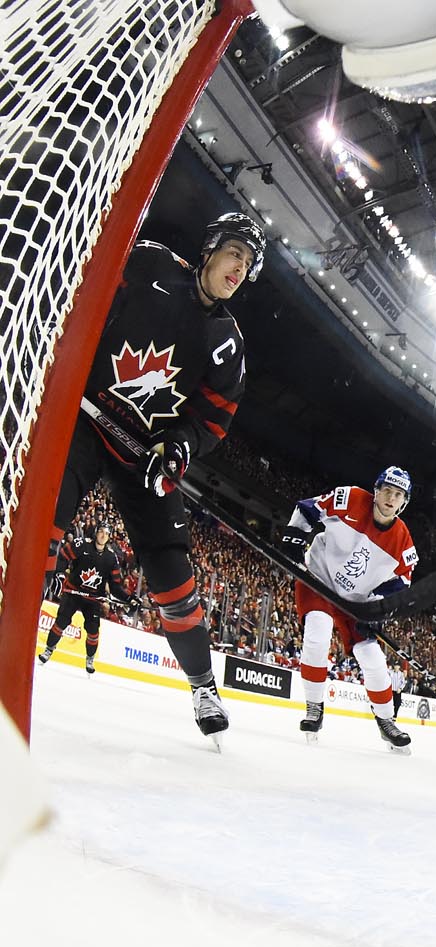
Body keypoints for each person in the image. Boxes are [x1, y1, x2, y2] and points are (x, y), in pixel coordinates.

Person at [48, 212, 264, 747]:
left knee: (175, 583)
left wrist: (181, 447)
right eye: (234, 252)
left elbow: (212, 421)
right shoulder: (147, 263)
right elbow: (89, 296)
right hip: (86, 418)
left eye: (249, 262)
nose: (239, 266)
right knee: (42, 522)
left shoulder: (228, 346)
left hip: (143, 456)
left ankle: (202, 685)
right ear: (211, 248)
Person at [279, 467, 419, 753]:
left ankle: (385, 721)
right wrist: (294, 537)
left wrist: (376, 611)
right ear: (376, 490)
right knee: (318, 634)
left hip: (356, 602)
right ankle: (314, 708)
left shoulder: (404, 541)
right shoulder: (350, 498)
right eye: (388, 491)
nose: (391, 498)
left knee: (374, 660)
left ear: (404, 502)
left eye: (398, 495)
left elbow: (400, 584)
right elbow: (309, 509)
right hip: (318, 579)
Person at [38, 520, 135, 675]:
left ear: (109, 537)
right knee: (61, 621)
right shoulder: (81, 545)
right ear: (96, 532)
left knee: (93, 629)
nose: (103, 535)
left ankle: (90, 658)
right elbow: (62, 556)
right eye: (101, 531)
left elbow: (115, 586)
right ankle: (49, 649)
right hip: (73, 592)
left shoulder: (111, 558)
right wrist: (60, 575)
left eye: (107, 533)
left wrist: (129, 599)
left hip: (93, 599)